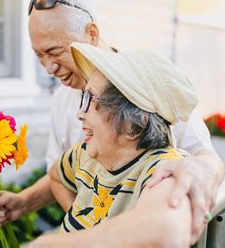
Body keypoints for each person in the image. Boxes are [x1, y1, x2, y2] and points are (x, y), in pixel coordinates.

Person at [0, 0, 225, 243]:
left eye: (55, 51)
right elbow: (63, 172)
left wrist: (202, 169)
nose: (49, 68)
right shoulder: (61, 99)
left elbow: (204, 159)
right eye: (39, 56)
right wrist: (26, 203)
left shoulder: (148, 89)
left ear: (92, 34)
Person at [32, 42, 197, 246]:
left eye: (91, 99)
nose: (80, 113)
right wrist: (84, 221)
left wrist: (50, 244)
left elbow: (167, 230)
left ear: (133, 125)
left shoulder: (160, 168)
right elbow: (56, 177)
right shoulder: (85, 155)